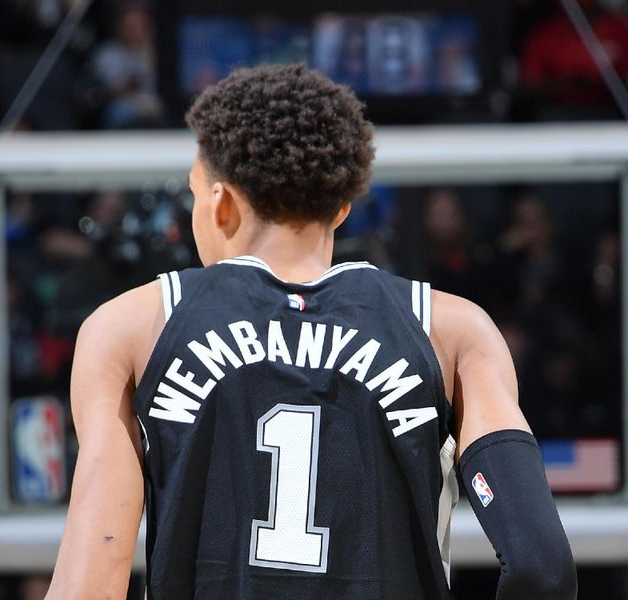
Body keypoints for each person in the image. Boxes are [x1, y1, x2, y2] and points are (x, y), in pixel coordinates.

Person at [47, 64, 577, 599]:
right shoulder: (452, 329)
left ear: (220, 202)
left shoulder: (131, 327)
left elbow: (91, 582)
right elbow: (542, 565)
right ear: (342, 207)